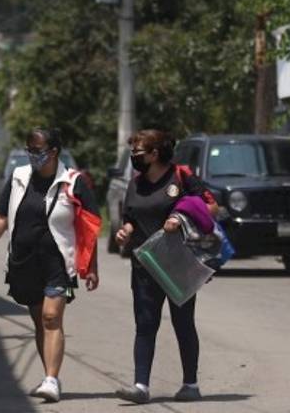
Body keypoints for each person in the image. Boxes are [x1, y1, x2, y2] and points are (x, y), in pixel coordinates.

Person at [0, 128, 101, 403]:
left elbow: (89, 227)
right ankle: (49, 376)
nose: (33, 155)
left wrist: (91, 266)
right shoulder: (19, 177)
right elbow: (0, 218)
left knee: (51, 317)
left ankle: (52, 380)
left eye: (38, 151)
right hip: (24, 261)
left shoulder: (74, 182)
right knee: (39, 322)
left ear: (53, 152)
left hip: (59, 263)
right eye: (29, 150)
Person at [113, 129, 216, 404]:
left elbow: (211, 206)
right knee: (145, 324)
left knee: (183, 323)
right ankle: (141, 386)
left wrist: (180, 218)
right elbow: (130, 218)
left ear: (155, 154)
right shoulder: (136, 183)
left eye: (137, 153)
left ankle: (190, 384)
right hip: (145, 264)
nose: (134, 158)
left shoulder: (180, 176)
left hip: (178, 263)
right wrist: (125, 231)